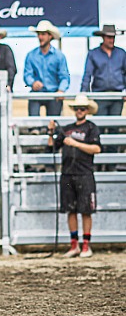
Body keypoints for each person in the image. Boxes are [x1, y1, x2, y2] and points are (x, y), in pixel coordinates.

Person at [47, 95, 101, 258]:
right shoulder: (66, 129)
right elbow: (52, 147)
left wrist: (76, 144)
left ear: (87, 110)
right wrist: (51, 132)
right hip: (67, 173)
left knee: (86, 210)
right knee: (70, 210)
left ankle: (86, 245)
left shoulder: (92, 128)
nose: (79, 111)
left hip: (85, 173)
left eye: (82, 108)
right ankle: (74, 245)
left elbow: (97, 149)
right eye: (77, 108)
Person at [24, 20, 70, 116]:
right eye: (39, 34)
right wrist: (33, 82)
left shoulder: (59, 56)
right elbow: (27, 74)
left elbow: (64, 76)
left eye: (43, 34)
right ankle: (34, 130)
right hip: (37, 93)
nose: (40, 37)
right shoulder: (31, 55)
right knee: (34, 123)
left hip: (54, 93)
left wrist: (61, 90)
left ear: (50, 36)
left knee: (53, 124)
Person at [80, 24, 126, 116]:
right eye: (109, 37)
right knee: (99, 125)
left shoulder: (121, 53)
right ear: (103, 37)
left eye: (113, 37)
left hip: (117, 95)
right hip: (99, 95)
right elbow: (87, 75)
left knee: (114, 126)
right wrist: (83, 94)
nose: (111, 40)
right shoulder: (93, 54)